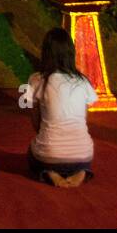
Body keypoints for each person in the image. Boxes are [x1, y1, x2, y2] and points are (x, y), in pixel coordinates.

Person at [27, 28, 98, 188]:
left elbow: (34, 119)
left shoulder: (36, 79)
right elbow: (83, 119)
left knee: (31, 154)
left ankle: (49, 171)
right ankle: (81, 171)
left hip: (49, 153)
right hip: (83, 154)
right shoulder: (83, 82)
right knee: (77, 157)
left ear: (45, 53)